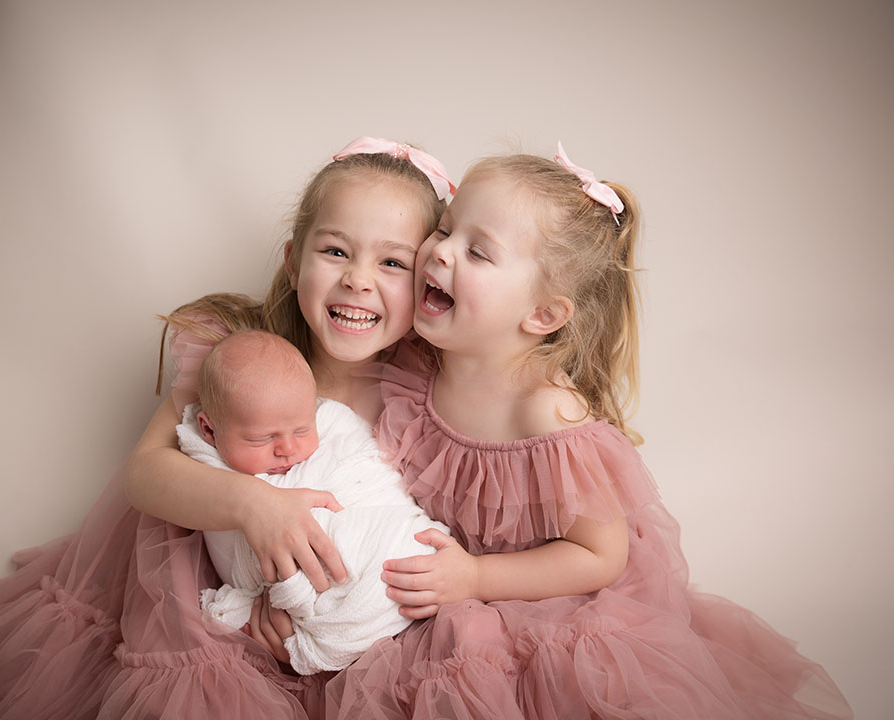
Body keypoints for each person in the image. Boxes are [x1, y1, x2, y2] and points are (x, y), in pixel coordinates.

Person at [0, 136, 452, 719]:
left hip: (353, 623)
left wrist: (306, 611)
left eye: (392, 262)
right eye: (336, 251)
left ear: (428, 283)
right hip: (198, 597)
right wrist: (252, 505)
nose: (358, 280)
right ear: (294, 259)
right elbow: (145, 474)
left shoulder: (429, 390)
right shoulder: (238, 357)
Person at [323, 145, 854, 719]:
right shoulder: (415, 371)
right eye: (446, 228)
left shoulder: (548, 415)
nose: (440, 251)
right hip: (442, 589)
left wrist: (476, 575)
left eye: (477, 251)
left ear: (543, 316)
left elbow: (598, 556)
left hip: (548, 599)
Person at [178, 329, 447, 675]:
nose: (288, 449)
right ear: (210, 431)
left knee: (399, 546)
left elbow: (376, 482)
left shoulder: (336, 425)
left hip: (403, 581)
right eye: (263, 438)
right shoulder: (207, 466)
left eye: (302, 430)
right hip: (290, 623)